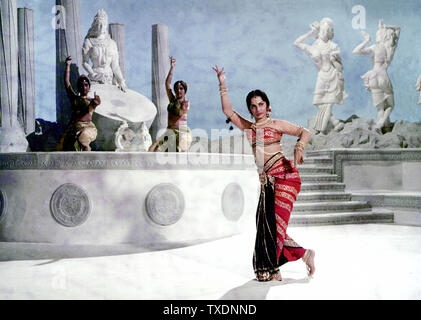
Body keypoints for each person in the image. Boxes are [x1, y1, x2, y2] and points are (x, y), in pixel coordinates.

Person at [212, 65, 315, 281]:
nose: (257, 109)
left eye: (261, 104)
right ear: (250, 110)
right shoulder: (250, 129)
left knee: (275, 226)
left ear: (268, 107)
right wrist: (222, 84)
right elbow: (228, 112)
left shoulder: (276, 124)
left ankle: (282, 264)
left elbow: (304, 132)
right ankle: (287, 262)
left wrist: (299, 147)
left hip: (285, 177)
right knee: (265, 225)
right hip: (266, 182)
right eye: (253, 106)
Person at [294, 18, 347, 134]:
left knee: (327, 103)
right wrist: (310, 33)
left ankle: (321, 129)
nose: (324, 33)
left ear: (330, 33)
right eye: (322, 30)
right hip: (321, 76)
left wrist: (334, 59)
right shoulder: (313, 47)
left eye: (327, 31)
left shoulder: (333, 46)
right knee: (318, 102)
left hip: (332, 75)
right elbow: (297, 43)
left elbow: (340, 66)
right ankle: (335, 122)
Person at [353, 20, 400, 131]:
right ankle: (381, 123)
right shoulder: (390, 49)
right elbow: (397, 30)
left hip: (373, 77)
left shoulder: (374, 47)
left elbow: (356, 51)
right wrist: (386, 26)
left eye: (377, 34)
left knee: (380, 109)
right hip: (383, 76)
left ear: (380, 36)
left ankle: (382, 128)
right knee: (390, 105)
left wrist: (366, 40)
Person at [56, 56, 101, 151]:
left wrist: (95, 103)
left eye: (86, 85)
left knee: (83, 138)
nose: (83, 87)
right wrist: (68, 66)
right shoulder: (75, 98)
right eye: (81, 85)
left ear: (89, 87)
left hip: (88, 128)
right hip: (74, 128)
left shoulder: (91, 100)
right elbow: (67, 82)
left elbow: (93, 106)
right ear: (78, 87)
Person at [149, 56, 193, 152]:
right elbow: (167, 84)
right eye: (176, 88)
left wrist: (177, 102)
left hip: (181, 132)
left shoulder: (186, 103)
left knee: (177, 152)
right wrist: (172, 68)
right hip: (170, 131)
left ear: (185, 90)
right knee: (152, 149)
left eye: (181, 88)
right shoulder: (172, 99)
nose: (178, 90)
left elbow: (180, 113)